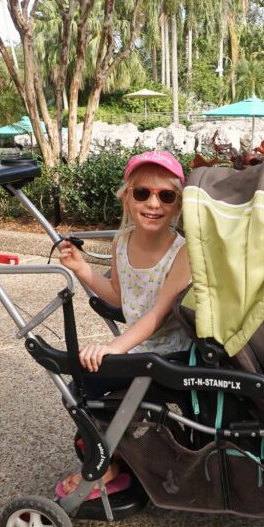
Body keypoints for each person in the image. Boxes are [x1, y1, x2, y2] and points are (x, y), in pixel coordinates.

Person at [55, 149, 193, 499]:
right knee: (80, 387)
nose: (153, 204)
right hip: (139, 348)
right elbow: (119, 298)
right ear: (127, 198)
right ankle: (119, 456)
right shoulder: (121, 242)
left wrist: (114, 348)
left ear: (177, 205)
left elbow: (156, 315)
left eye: (166, 196)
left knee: (87, 380)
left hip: (172, 356)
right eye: (142, 193)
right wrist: (82, 269)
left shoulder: (183, 252)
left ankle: (111, 463)